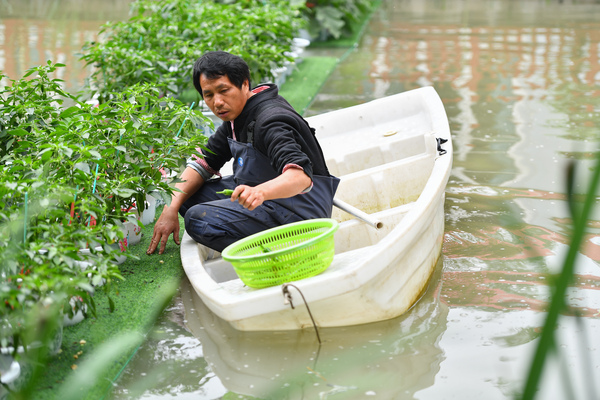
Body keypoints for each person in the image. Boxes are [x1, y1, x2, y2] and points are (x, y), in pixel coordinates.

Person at [147, 51, 339, 255]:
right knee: (186, 197)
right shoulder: (237, 116)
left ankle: (277, 252)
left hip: (300, 210)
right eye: (209, 95)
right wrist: (170, 208)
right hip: (264, 198)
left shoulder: (270, 121)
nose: (217, 102)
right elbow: (205, 161)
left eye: (224, 90)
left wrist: (260, 192)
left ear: (244, 84)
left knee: (197, 218)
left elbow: (300, 177)